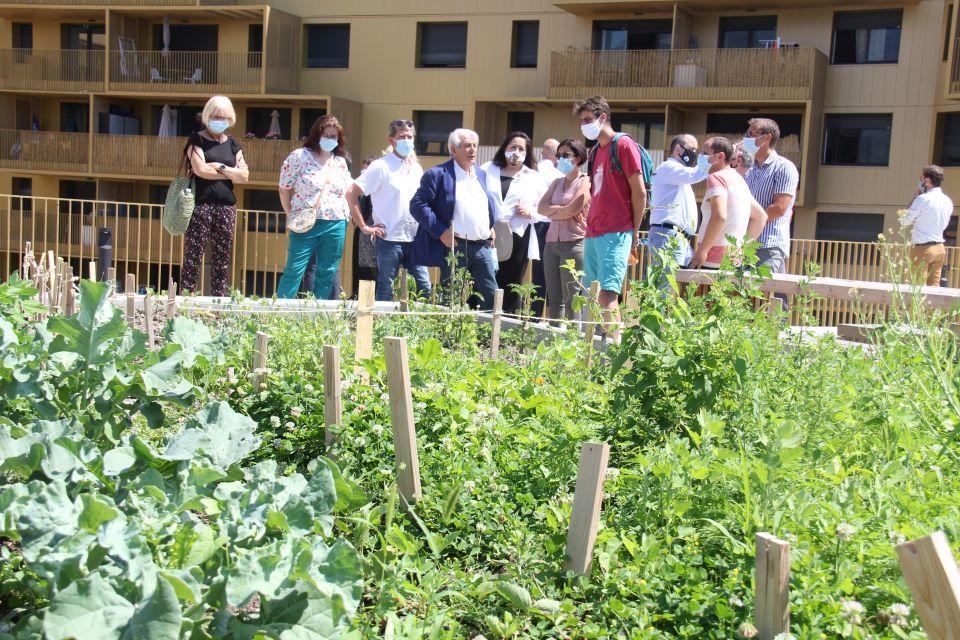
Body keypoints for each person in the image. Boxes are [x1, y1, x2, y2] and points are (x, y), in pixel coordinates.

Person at [574, 95, 647, 340]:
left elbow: (640, 192)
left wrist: (634, 231)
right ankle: (595, 353)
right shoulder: (595, 151)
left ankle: (619, 355)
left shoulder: (623, 145)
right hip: (594, 230)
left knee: (607, 294)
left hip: (617, 229)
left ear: (602, 117)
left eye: (587, 119)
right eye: (581, 120)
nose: (584, 125)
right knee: (593, 295)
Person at [409, 128, 499, 310]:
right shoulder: (438, 174)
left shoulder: (481, 174)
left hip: (482, 246)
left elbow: (482, 205)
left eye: (474, 145)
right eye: (467, 146)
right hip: (456, 247)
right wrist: (440, 231)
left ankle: (489, 337)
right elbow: (417, 205)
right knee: (450, 297)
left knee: (491, 296)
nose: (472, 150)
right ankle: (446, 336)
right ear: (453, 149)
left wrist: (489, 225)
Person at [346, 120, 430, 302]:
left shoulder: (416, 168)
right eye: (402, 137)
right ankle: (381, 327)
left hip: (415, 238)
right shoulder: (380, 166)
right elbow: (351, 193)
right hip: (389, 239)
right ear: (392, 140)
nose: (406, 140)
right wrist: (363, 226)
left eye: (409, 137)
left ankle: (420, 326)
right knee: (385, 288)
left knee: (424, 287)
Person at [276, 114, 352, 299]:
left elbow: (347, 190)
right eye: (327, 135)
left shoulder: (340, 162)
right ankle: (280, 312)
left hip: (336, 222)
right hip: (306, 221)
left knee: (327, 271)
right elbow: (284, 188)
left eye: (334, 136)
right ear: (317, 135)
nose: (330, 139)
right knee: (295, 269)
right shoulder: (299, 156)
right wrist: (290, 213)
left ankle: (319, 315)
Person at [181, 95, 248, 296]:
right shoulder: (197, 139)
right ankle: (186, 298)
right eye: (215, 116)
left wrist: (218, 166)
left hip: (226, 207)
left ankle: (219, 300)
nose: (219, 120)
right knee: (193, 257)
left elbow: (244, 176)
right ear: (208, 115)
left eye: (224, 117)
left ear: (230, 119)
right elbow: (201, 170)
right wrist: (230, 171)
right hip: (200, 205)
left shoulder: (234, 144)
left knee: (222, 259)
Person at [482, 131, 547, 314]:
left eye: (521, 149)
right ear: (504, 148)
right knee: (486, 278)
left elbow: (545, 210)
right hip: (488, 233)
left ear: (527, 153)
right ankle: (482, 319)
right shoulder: (487, 169)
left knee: (512, 283)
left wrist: (530, 212)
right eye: (513, 147)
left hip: (518, 235)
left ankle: (508, 326)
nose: (516, 152)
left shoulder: (533, 177)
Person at [690, 137, 768, 270]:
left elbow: (719, 216)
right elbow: (761, 217)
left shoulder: (716, 177)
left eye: (704, 153)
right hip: (734, 260)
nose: (701, 157)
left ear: (720, 156)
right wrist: (743, 249)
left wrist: (703, 250)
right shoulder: (738, 179)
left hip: (712, 260)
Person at [538, 138, 590, 322]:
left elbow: (574, 208)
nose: (561, 159)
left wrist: (555, 211)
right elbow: (541, 208)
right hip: (551, 244)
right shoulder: (556, 182)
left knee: (572, 299)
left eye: (566, 155)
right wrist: (562, 210)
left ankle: (575, 342)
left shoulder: (585, 181)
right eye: (559, 156)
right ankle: (555, 340)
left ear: (578, 157)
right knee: (554, 298)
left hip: (574, 244)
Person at [743, 118, 799, 274]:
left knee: (766, 296)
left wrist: (751, 225)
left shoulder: (784, 167)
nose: (746, 138)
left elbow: (780, 208)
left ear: (766, 137)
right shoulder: (750, 168)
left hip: (768, 245)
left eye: (751, 134)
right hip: (746, 245)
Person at [648, 134, 710, 274]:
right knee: (666, 286)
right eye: (693, 149)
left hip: (678, 236)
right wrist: (712, 159)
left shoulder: (679, 173)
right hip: (668, 234)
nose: (695, 154)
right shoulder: (668, 167)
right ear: (678, 149)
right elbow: (695, 174)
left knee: (677, 285)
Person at [903, 164, 953, 286]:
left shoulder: (922, 199)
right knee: (934, 290)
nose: (920, 182)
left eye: (922, 179)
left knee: (917, 289)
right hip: (940, 248)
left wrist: (914, 198)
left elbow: (904, 221)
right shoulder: (947, 200)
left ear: (928, 180)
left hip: (922, 248)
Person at [352, 157, 379, 295]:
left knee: (375, 274)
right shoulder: (361, 192)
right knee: (363, 273)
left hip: (376, 233)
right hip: (363, 234)